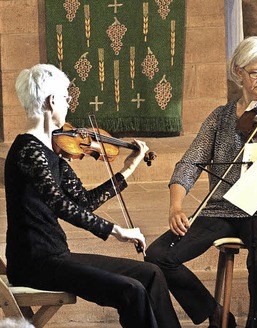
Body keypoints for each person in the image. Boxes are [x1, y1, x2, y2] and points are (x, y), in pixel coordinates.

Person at [4, 63, 181, 328]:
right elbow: (60, 204)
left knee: (151, 274)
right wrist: (117, 230)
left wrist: (126, 171)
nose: (69, 104)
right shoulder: (28, 151)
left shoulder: (49, 150)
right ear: (52, 102)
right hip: (35, 263)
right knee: (130, 290)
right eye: (67, 97)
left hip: (56, 255)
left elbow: (83, 202)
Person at [145, 35, 257, 328]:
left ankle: (256, 321)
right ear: (239, 71)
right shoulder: (220, 117)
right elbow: (190, 162)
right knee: (159, 255)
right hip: (223, 208)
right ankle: (217, 315)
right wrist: (176, 206)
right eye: (256, 72)